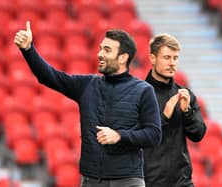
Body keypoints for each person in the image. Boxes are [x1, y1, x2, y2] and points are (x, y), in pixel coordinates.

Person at [14, 21, 162, 187]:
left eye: (107, 50)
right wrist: (28, 50)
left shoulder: (144, 90)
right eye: (100, 48)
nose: (99, 54)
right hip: (92, 180)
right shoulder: (87, 85)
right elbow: (49, 76)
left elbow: (154, 135)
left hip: (128, 181)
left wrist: (120, 136)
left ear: (123, 58)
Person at [143, 33, 207, 187]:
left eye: (175, 58)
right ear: (152, 58)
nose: (172, 63)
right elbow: (138, 136)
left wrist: (187, 112)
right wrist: (164, 116)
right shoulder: (139, 94)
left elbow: (198, 134)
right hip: (150, 182)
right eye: (167, 57)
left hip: (182, 182)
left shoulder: (185, 95)